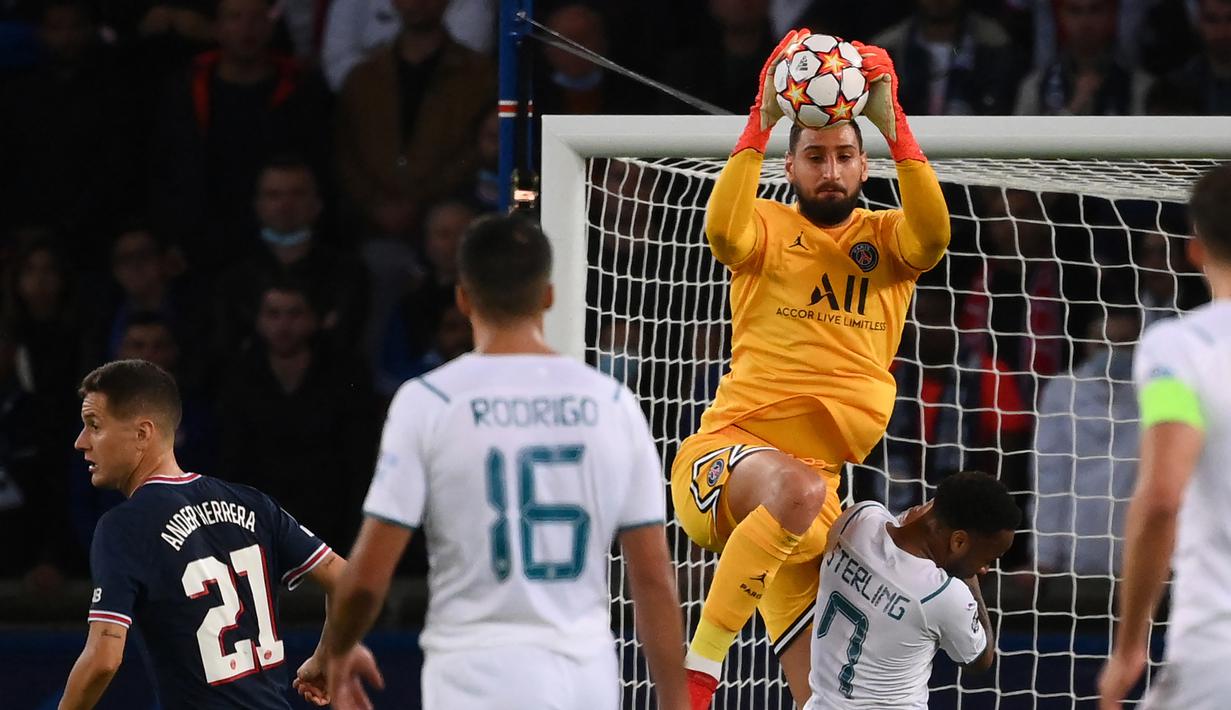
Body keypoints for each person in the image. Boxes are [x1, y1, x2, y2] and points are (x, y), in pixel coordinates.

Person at [294, 215, 688, 710]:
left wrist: (337, 649)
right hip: (585, 675)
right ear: (548, 295)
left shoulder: (429, 401)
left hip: (474, 674)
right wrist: (676, 702)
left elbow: (370, 576)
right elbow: (652, 577)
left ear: (463, 297)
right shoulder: (613, 403)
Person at [671, 29, 952, 708]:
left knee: (823, 699)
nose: (830, 170)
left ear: (864, 168)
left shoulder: (888, 240)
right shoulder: (764, 227)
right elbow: (719, 235)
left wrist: (896, 126)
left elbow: (936, 237)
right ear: (789, 169)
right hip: (728, 460)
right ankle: (696, 678)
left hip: (814, 500)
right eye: (815, 157)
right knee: (794, 490)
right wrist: (760, 118)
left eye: (845, 156)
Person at [57, 359, 379, 709]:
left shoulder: (122, 527)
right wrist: (326, 654)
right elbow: (349, 580)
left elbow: (103, 659)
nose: (80, 442)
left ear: (142, 433)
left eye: (94, 426)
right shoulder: (252, 503)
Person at [1098, 164, 1231, 708]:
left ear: (1195, 250)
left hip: (1216, 652)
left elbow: (1161, 499)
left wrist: (1130, 647)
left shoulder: (1180, 349)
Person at [806, 471, 1019, 708]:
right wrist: (967, 577)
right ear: (958, 541)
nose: (984, 570)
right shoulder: (943, 594)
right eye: (987, 558)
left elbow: (902, 526)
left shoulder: (857, 518)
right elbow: (979, 660)